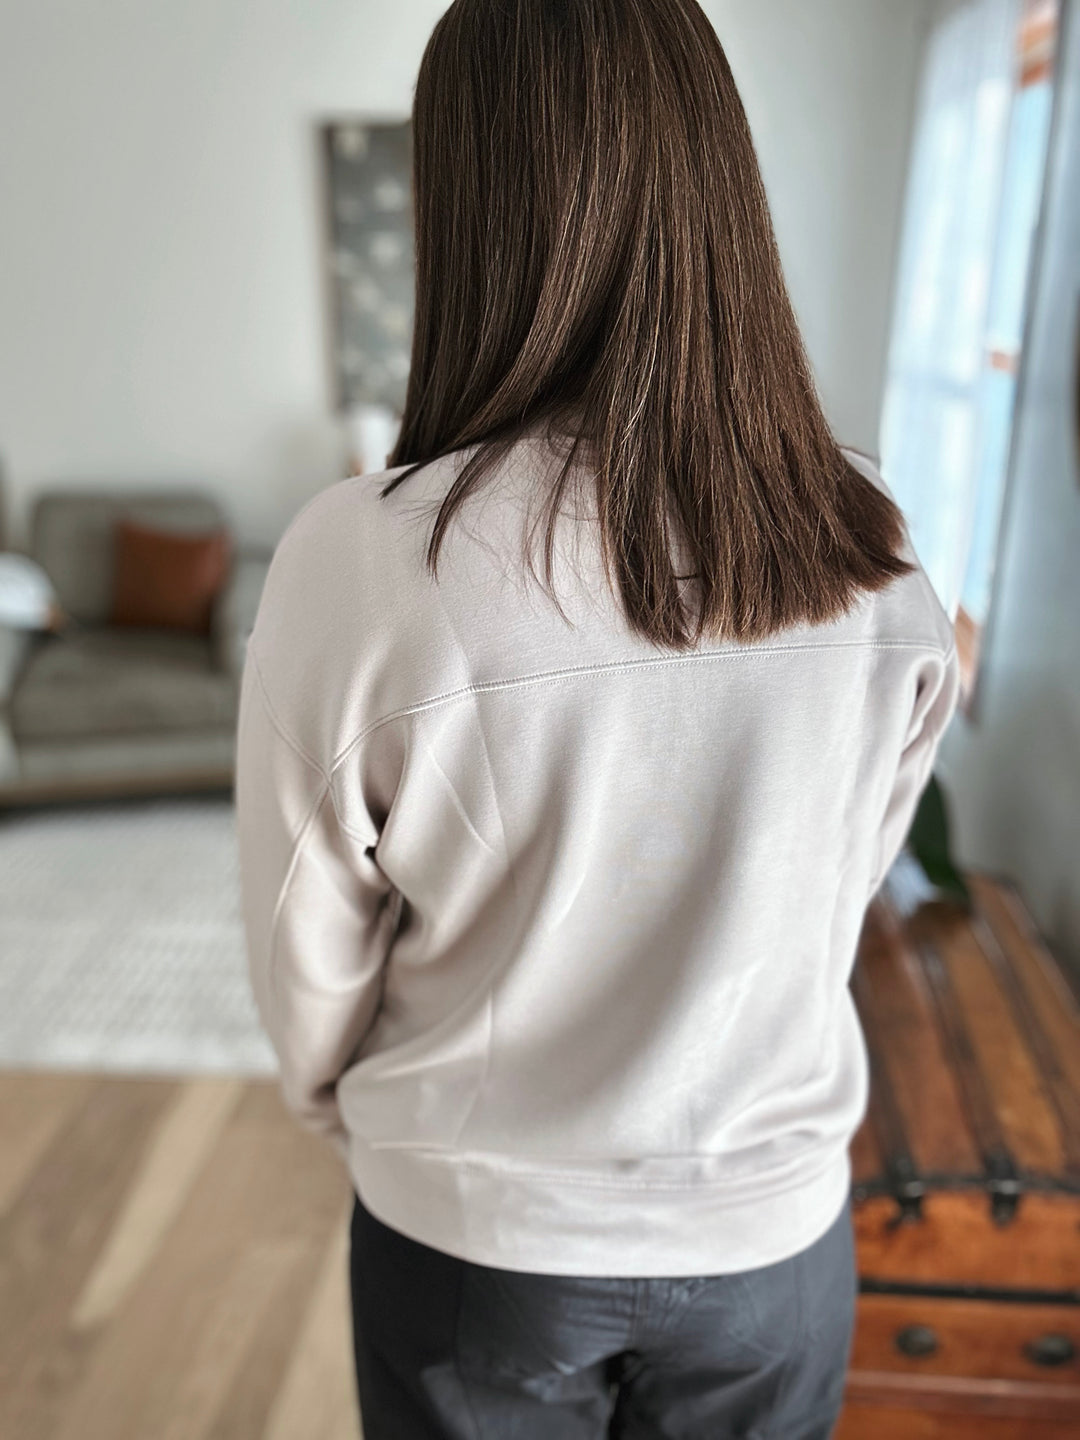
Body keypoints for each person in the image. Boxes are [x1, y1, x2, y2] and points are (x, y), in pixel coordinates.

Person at [233, 0, 962, 1434]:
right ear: (714, 190)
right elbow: (840, 880)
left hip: (480, 1230)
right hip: (770, 1238)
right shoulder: (869, 547)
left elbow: (300, 939)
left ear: (469, 208)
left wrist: (351, 1111)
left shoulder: (370, 558)